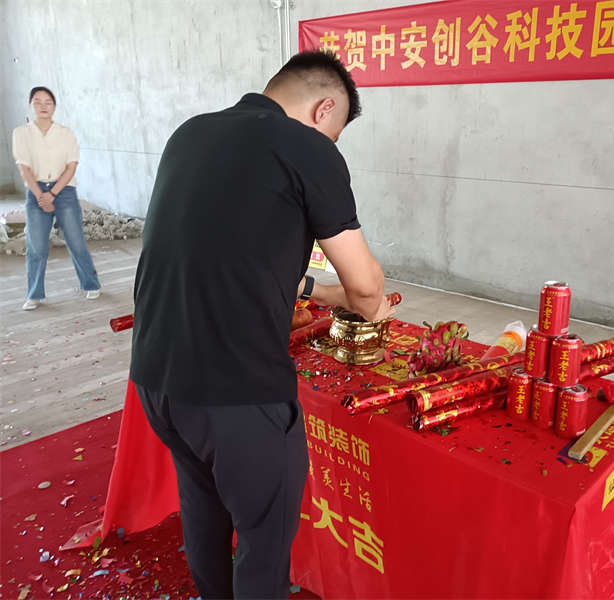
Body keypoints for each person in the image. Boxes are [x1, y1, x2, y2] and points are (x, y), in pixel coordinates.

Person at [130, 50, 394, 599]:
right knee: (264, 542)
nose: (332, 145)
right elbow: (368, 289)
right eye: (335, 135)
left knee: (203, 509)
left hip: (157, 379)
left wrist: (326, 294)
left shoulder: (191, 134)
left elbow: (237, 255)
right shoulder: (308, 149)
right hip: (238, 393)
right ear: (325, 110)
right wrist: (371, 304)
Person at [12, 86, 102, 310]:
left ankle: (91, 284)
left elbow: (71, 166)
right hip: (36, 191)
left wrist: (52, 194)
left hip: (64, 191)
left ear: (54, 106)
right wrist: (40, 195)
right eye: (37, 101)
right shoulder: (21, 133)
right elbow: (24, 167)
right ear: (30, 105)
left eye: (48, 102)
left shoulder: (65, 133)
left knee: (76, 241)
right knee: (36, 246)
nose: (43, 106)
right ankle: (34, 294)